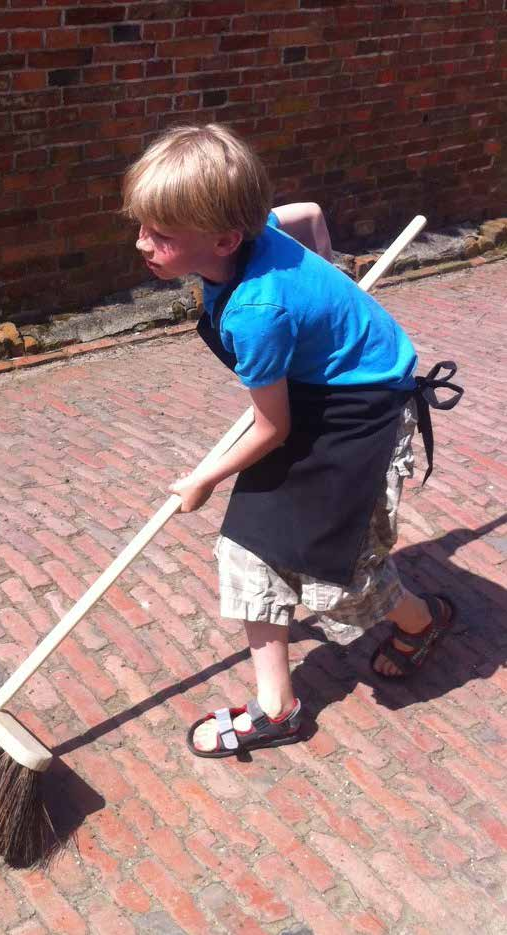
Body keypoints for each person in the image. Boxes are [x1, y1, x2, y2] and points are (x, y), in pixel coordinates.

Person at [122, 124, 462, 757]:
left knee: (338, 578)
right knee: (248, 548)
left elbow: (271, 428)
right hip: (310, 396)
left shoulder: (257, 312)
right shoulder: (256, 230)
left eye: (161, 235)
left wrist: (205, 478)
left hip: (361, 414)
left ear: (225, 238)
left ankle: (423, 620)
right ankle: (277, 708)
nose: (142, 242)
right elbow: (305, 214)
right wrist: (324, 275)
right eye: (142, 225)